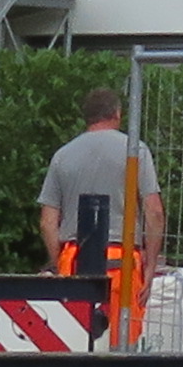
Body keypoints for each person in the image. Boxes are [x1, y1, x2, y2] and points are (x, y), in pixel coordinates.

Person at [37, 91, 149, 267]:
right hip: (122, 259)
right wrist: (149, 268)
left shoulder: (62, 155)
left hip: (74, 257)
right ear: (117, 113)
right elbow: (154, 212)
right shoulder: (135, 151)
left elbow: (47, 222)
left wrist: (58, 264)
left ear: (87, 117)